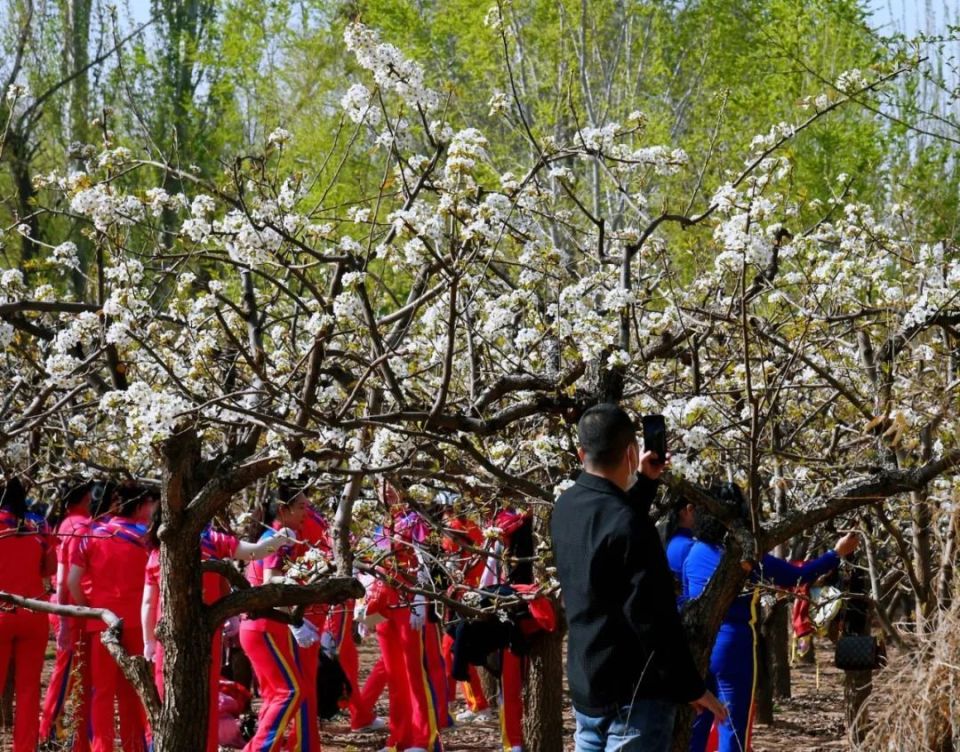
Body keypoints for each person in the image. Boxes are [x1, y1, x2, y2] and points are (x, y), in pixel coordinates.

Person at [551, 403, 725, 752]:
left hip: (587, 685)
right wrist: (691, 687)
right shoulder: (631, 527)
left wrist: (645, 483)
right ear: (632, 452)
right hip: (633, 696)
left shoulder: (565, 507)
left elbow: (607, 532)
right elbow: (653, 619)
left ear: (580, 453)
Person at [682, 483, 858, 752]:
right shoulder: (745, 556)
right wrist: (836, 553)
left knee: (699, 722)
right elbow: (795, 576)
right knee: (731, 724)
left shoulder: (692, 554)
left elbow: (686, 599)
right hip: (735, 646)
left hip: (698, 646)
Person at [140, 509, 294, 752]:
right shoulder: (211, 540)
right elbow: (254, 552)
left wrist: (148, 641)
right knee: (206, 704)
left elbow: (148, 602)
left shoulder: (160, 550)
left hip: (166, 641)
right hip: (206, 637)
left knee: (166, 703)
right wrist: (279, 539)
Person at [68, 481, 158, 752]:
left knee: (102, 693)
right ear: (141, 505)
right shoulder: (148, 538)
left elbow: (73, 581)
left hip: (101, 621)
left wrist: (91, 606)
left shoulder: (93, 534)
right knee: (134, 691)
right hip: (137, 623)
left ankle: (101, 748)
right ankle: (135, 747)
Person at [239, 489, 311, 752]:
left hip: (265, 626)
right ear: (284, 509)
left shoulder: (276, 536)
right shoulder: (279, 538)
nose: (307, 512)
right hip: (264, 626)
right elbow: (271, 582)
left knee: (275, 693)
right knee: (291, 692)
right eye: (302, 507)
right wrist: (296, 618)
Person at [40, 478, 96, 751]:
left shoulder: (68, 523)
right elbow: (63, 578)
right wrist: (64, 615)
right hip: (71, 608)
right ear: (86, 497)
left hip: (69, 606)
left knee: (75, 673)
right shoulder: (80, 526)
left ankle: (65, 732)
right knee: (66, 674)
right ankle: (49, 731)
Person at [0, 477, 56, 752]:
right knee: (29, 689)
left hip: (1, 611)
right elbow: (49, 569)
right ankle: (25, 748)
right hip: (33, 611)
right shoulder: (39, 525)